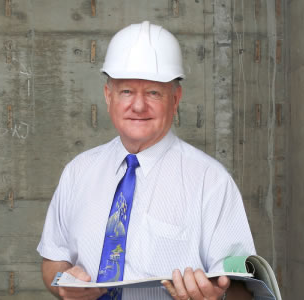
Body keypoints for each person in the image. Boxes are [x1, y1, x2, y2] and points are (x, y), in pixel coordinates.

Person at [36, 21, 257, 300]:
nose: (138, 106)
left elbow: (245, 289)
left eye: (153, 93)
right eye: (126, 91)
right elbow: (52, 260)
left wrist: (217, 297)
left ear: (175, 99)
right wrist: (62, 283)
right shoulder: (78, 172)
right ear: (108, 95)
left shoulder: (211, 181)